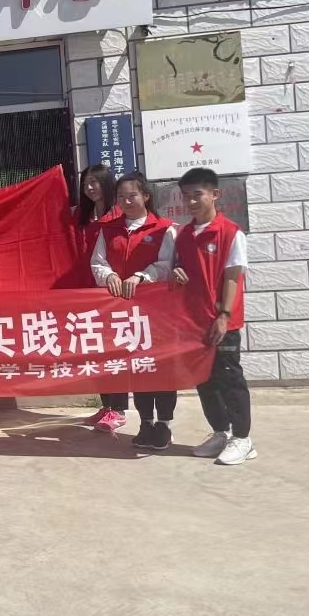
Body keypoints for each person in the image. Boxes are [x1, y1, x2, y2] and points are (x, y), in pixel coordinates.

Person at [170, 168, 255, 466]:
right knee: (204, 380)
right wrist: (176, 274)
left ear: (215, 194)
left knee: (229, 378)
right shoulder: (183, 235)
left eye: (198, 195)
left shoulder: (230, 232)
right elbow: (179, 271)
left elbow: (233, 276)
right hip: (193, 322)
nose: (191, 202)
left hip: (221, 321)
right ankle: (221, 432)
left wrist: (224, 315)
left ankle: (242, 438)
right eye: (186, 196)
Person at [91, 173, 178, 450]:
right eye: (121, 197)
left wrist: (142, 276)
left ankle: (164, 424)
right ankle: (146, 422)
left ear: (146, 197)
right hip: (124, 314)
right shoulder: (108, 229)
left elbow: (167, 264)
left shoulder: (164, 229)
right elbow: (98, 262)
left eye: (132, 196)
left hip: (158, 312)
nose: (126, 202)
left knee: (159, 367)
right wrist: (109, 276)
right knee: (137, 367)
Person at [74, 164, 125, 426]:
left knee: (113, 350)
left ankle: (119, 409)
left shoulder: (119, 215)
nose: (90, 188)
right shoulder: (82, 216)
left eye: (94, 182)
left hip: (111, 292)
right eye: (86, 184)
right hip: (86, 290)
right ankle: (106, 405)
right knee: (95, 350)